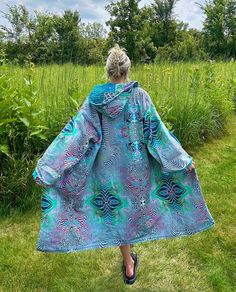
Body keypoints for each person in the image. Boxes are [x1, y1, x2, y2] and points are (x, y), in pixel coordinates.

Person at [32, 44, 215, 285]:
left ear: (108, 71)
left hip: (107, 173)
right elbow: (157, 133)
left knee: (118, 214)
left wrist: (47, 168)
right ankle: (130, 262)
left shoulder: (94, 101)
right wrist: (182, 161)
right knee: (137, 208)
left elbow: (74, 135)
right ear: (127, 70)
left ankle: (129, 264)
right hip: (136, 169)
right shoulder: (140, 96)